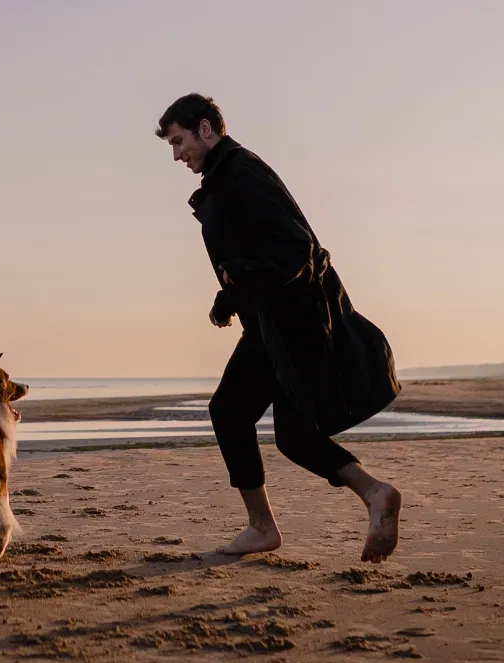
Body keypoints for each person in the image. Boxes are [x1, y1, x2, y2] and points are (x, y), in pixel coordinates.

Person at [155, 93, 403, 563]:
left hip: (290, 321)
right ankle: (373, 493)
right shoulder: (226, 176)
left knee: (229, 410)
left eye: (180, 140)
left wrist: (240, 276)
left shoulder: (241, 172)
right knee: (289, 434)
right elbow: (256, 247)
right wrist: (229, 295)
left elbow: (295, 247)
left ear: (207, 129)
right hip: (280, 319)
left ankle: (263, 527)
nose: (177, 154)